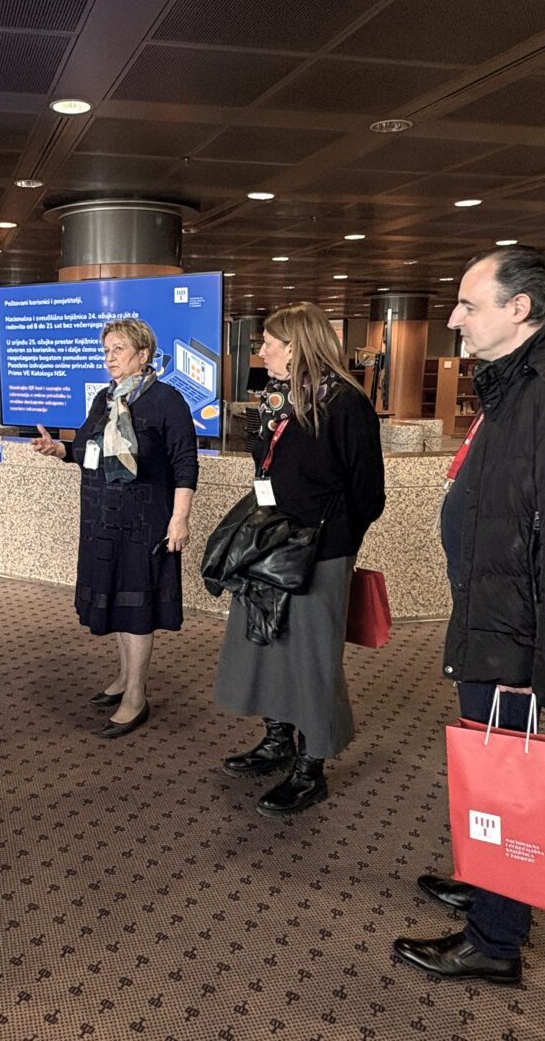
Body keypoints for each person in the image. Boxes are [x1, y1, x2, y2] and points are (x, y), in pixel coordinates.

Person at [392, 245, 545, 983]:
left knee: (507, 773)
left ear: (520, 309)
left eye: (470, 304)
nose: (454, 318)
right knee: (488, 763)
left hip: (522, 625)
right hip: (495, 606)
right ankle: (490, 882)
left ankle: (494, 942)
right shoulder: (522, 384)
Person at [212, 303, 385, 816]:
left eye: (268, 342)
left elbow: (367, 494)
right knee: (267, 645)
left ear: (297, 346)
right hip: (271, 544)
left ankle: (311, 768)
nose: (260, 351)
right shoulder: (281, 400)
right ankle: (276, 740)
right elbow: (272, 474)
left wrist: (332, 541)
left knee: (311, 661)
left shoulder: (346, 405)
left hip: (319, 555)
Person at [29, 318, 197, 738]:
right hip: (103, 519)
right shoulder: (105, 399)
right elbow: (86, 447)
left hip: (145, 522)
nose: (109, 358)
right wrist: (59, 450)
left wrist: (180, 518)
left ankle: (137, 696)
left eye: (118, 349)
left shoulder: (166, 400)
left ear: (143, 354)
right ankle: (124, 677)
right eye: (106, 351)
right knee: (118, 602)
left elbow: (185, 465)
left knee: (137, 607)